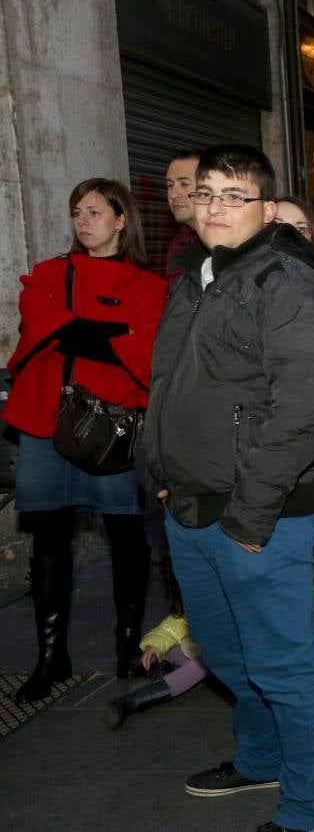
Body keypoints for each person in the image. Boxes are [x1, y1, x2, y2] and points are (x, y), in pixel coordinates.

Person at [140, 144, 314, 830]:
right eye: (207, 193)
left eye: (234, 195)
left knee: (283, 666)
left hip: (262, 513)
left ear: (264, 207)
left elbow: (305, 408)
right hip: (191, 503)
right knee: (224, 653)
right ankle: (260, 760)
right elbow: (167, 383)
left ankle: (309, 813)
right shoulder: (196, 275)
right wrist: (159, 472)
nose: (216, 206)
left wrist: (252, 516)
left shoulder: (284, 279)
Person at [5, 178, 167, 702]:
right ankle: (51, 656)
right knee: (49, 536)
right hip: (45, 422)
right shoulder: (50, 273)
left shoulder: (150, 285)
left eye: (95, 211)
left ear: (122, 220)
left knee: (125, 535)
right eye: (77, 211)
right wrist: (114, 335)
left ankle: (126, 646)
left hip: (113, 430)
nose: (83, 220)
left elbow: (151, 346)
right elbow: (41, 323)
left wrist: (79, 329)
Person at [104, 547, 208, 728]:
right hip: (198, 647)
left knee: (201, 665)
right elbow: (175, 625)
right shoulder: (193, 592)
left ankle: (134, 701)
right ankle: (161, 669)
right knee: (170, 648)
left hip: (222, 658)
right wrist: (155, 645)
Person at [162, 149, 202, 284]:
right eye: (169, 185)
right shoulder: (178, 244)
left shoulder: (232, 242)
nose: (173, 194)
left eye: (184, 184)